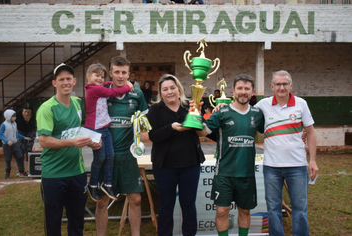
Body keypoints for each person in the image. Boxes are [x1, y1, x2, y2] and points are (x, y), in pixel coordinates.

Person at [36, 63, 101, 236]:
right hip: (54, 175)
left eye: (68, 79)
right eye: (61, 79)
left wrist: (91, 142)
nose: (65, 82)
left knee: (77, 222)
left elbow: (76, 131)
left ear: (74, 81)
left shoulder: (77, 102)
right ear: (54, 83)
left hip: (76, 173)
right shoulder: (47, 108)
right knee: (54, 223)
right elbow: (43, 140)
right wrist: (73, 142)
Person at [195, 74, 264, 236]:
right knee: (222, 211)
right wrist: (195, 114)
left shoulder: (257, 114)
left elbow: (270, 133)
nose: (243, 92)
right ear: (233, 90)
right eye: (240, 88)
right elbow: (202, 132)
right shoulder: (222, 112)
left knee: (245, 212)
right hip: (224, 172)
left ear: (252, 92)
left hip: (246, 174)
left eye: (247, 89)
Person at [255, 70, 318, 236]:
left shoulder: (301, 104)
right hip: (271, 167)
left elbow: (310, 132)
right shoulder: (263, 105)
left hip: (297, 166)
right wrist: (222, 105)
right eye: (278, 84)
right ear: (272, 86)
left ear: (291, 85)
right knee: (273, 209)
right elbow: (244, 111)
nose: (281, 87)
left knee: (300, 209)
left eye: (285, 84)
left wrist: (312, 161)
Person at [147, 74, 205, 236]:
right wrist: (171, 128)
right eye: (165, 89)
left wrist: (198, 117)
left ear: (178, 89)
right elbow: (152, 136)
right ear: (160, 92)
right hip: (164, 166)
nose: (169, 92)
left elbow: (201, 133)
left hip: (190, 164)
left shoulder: (190, 106)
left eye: (172, 88)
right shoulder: (155, 110)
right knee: (166, 205)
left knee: (188, 205)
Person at [96, 57, 148, 236]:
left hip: (128, 155)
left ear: (129, 73)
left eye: (124, 72)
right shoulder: (101, 92)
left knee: (135, 199)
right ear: (110, 73)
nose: (120, 76)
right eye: (116, 72)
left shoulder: (137, 94)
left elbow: (144, 123)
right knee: (102, 201)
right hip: (106, 156)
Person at [84, 63, 133, 202]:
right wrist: (127, 86)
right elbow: (113, 92)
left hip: (104, 128)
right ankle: (92, 184)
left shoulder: (100, 87)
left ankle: (108, 184)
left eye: (102, 77)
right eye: (96, 76)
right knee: (100, 158)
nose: (100, 79)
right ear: (88, 76)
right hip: (95, 129)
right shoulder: (93, 90)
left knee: (110, 156)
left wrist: (116, 81)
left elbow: (109, 85)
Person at [0, 109, 31, 178]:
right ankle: (7, 173)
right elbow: (0, 135)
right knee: (8, 159)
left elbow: (16, 134)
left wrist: (24, 137)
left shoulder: (14, 124)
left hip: (15, 143)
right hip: (7, 145)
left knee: (20, 156)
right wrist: (7, 141)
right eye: (13, 116)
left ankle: (21, 171)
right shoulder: (4, 125)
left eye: (15, 116)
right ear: (8, 116)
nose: (15, 118)